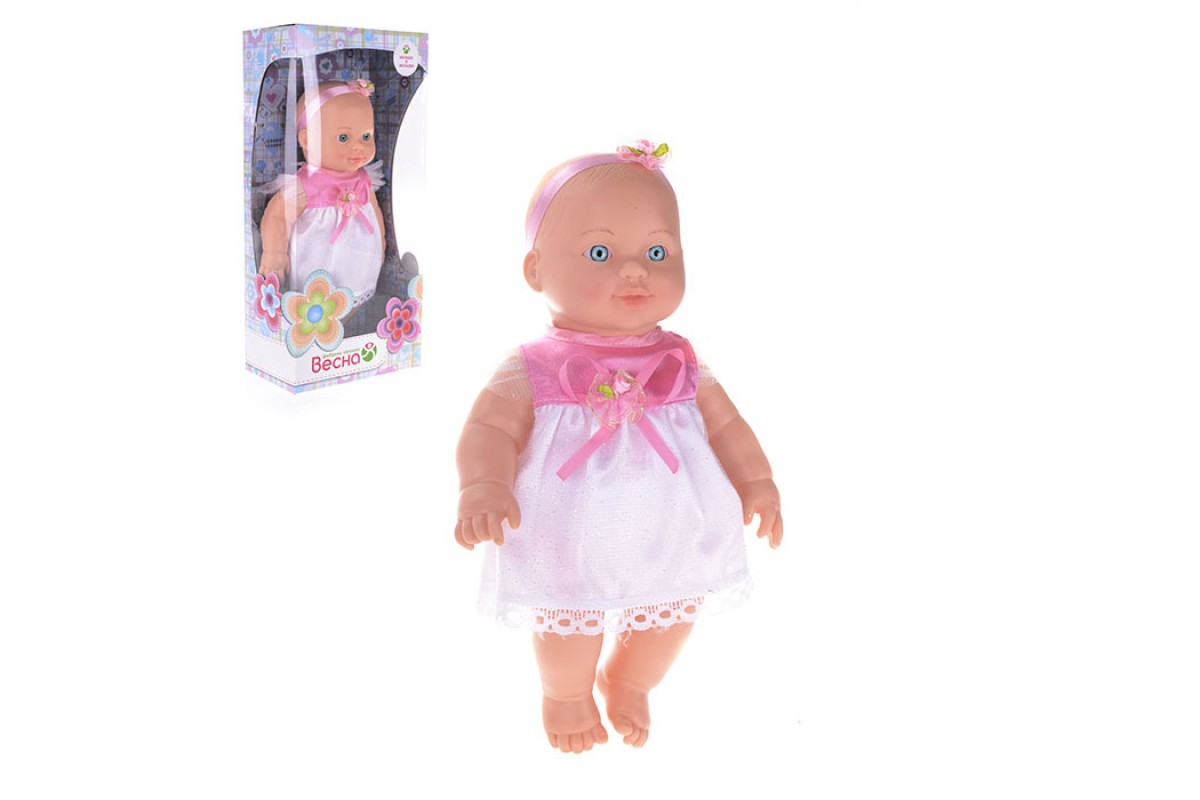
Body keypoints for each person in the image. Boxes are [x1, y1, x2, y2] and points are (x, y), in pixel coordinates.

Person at [455, 142, 784, 753]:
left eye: (658, 253)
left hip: (674, 523)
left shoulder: (679, 359)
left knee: (676, 610)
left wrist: (757, 480)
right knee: (569, 621)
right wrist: (483, 484)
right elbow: (489, 429)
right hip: (568, 527)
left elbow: (727, 425)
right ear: (535, 270)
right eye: (601, 253)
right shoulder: (535, 364)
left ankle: (630, 680)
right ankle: (566, 694)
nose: (635, 271)